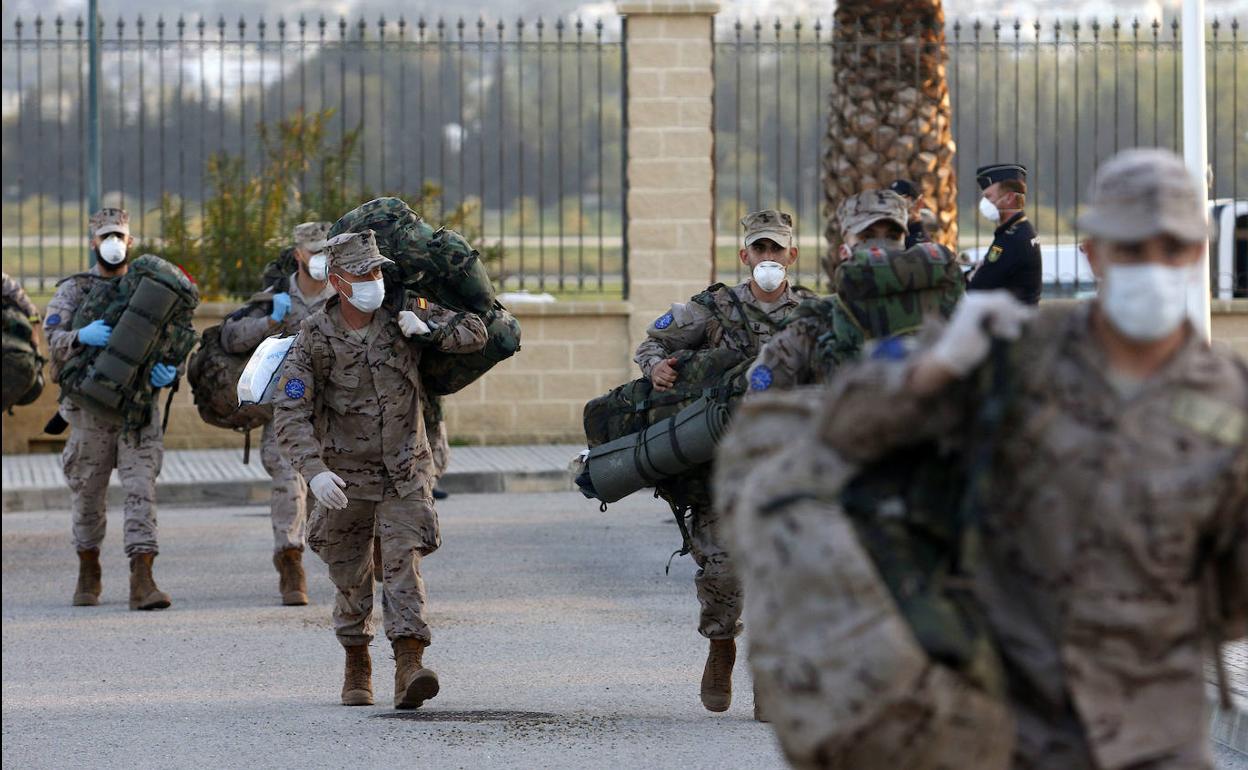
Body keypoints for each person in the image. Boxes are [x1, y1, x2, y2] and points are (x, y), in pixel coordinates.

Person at [813, 148, 1246, 768]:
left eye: (1170, 247)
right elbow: (847, 430)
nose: (1151, 264)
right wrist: (934, 372)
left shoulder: (1230, 398)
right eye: (1130, 247)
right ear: (1093, 253)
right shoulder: (1012, 356)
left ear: (1198, 253)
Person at [273, 229, 487, 709]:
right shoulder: (314, 336)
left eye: (377, 270)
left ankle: (409, 664)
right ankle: (357, 661)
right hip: (345, 479)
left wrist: (431, 330)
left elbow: (477, 331)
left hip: (406, 471)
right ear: (338, 281)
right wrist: (314, 471)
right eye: (363, 273)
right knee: (350, 574)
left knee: (402, 564)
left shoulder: (404, 312)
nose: (374, 280)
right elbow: (290, 412)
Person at [633, 209, 813, 715]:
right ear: (745, 255)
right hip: (721, 467)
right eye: (760, 249)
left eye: (776, 249)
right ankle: (721, 643)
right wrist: (656, 368)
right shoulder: (714, 309)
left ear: (792, 255)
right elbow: (652, 343)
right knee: (723, 572)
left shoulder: (814, 315)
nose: (768, 257)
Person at [44, 208, 179, 611]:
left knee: (141, 491)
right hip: (90, 411)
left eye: (119, 235)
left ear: (130, 241)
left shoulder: (150, 288)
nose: (113, 243)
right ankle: (89, 568)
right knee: (88, 494)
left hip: (138, 410)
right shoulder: (76, 289)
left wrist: (172, 371)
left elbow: (173, 338)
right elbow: (52, 337)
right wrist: (79, 336)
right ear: (93, 242)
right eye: (105, 236)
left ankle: (143, 578)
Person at [219, 221, 335, 606]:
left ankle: (354, 558)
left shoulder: (345, 293)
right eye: (314, 252)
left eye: (326, 251)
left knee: (339, 487)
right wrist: (269, 321)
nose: (321, 259)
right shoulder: (277, 296)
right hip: (288, 411)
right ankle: (290, 561)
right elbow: (230, 335)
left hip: (336, 412)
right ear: (299, 254)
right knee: (289, 482)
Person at [747, 190, 961, 392]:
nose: (881, 246)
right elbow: (761, 401)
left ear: (904, 245)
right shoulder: (818, 322)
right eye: (866, 236)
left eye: (892, 236)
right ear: (844, 251)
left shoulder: (944, 310)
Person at [967, 163, 1042, 305]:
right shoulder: (1022, 229)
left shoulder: (1012, 238)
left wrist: (972, 274)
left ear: (1009, 198)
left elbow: (977, 288)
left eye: (989, 197)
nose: (985, 204)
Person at [887, 179, 933, 249]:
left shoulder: (919, 242)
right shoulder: (891, 234)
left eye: (900, 199)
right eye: (890, 199)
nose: (893, 204)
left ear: (919, 204)